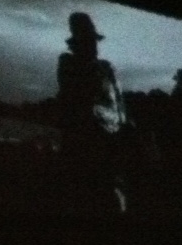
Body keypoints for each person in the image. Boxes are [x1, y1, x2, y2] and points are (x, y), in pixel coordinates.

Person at [55, 12, 134, 213]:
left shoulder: (107, 68)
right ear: (77, 43)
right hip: (84, 148)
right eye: (89, 41)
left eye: (94, 41)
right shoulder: (68, 63)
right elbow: (79, 98)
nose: (95, 46)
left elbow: (120, 105)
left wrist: (124, 128)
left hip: (111, 148)